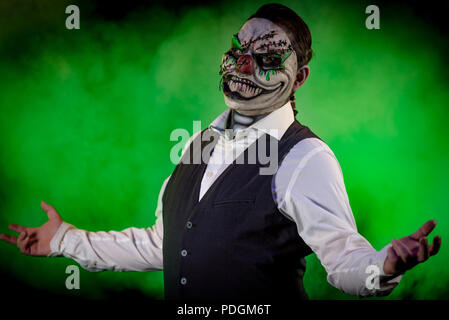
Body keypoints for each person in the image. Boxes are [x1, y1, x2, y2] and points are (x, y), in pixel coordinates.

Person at [0, 3, 441, 301]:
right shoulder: (199, 141)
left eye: (268, 57)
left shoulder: (305, 158)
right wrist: (63, 240)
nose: (244, 64)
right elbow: (166, 243)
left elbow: (344, 259)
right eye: (239, 50)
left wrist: (382, 266)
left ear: (300, 77)